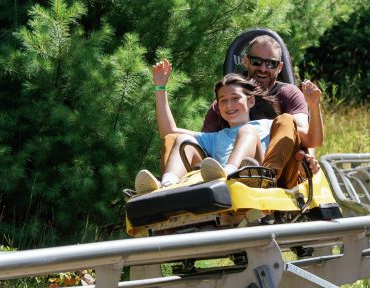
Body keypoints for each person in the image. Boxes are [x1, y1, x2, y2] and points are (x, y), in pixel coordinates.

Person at [161, 34, 323, 188]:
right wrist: (160, 88)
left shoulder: (280, 104)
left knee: (282, 121)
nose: (263, 68)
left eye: (270, 64)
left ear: (279, 67)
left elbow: (305, 138)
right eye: (256, 61)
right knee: (175, 139)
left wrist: (308, 159)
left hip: (275, 172)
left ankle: (264, 177)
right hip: (225, 173)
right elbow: (173, 134)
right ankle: (168, 186)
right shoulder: (221, 116)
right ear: (246, 61)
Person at [134, 60, 280, 196]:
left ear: (251, 101)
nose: (229, 105)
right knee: (183, 140)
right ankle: (167, 185)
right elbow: (168, 132)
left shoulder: (268, 125)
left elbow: (295, 136)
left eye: (235, 98)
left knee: (247, 130)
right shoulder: (216, 137)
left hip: (255, 180)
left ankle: (229, 173)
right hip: (222, 186)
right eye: (223, 100)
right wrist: (160, 87)